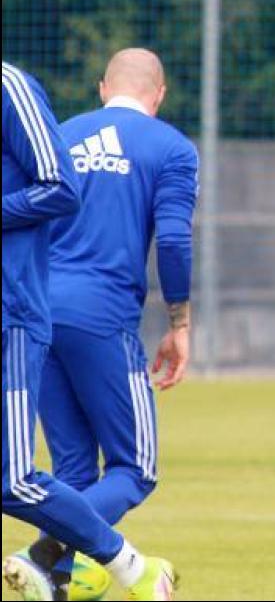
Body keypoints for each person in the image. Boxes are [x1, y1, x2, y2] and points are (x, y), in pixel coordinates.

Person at [7, 49, 198, 600]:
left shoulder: (61, 133)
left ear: (101, 88)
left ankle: (55, 583)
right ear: (158, 95)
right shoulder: (171, 148)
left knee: (72, 468)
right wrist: (179, 321)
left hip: (36, 309)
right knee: (135, 468)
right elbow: (177, 239)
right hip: (103, 314)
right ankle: (40, 554)